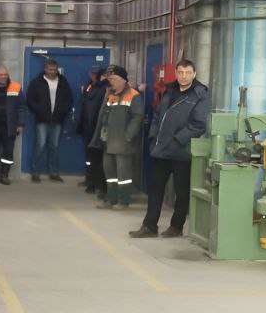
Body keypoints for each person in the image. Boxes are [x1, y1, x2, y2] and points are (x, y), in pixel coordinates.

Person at [133, 59, 209, 238]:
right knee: (155, 189)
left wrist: (177, 139)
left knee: (181, 192)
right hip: (162, 150)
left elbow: (199, 124)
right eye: (180, 72)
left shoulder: (200, 94)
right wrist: (153, 136)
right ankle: (149, 226)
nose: (184, 76)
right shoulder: (169, 90)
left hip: (182, 151)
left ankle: (176, 226)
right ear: (175, 73)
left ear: (194, 74)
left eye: (188, 73)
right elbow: (157, 115)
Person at [91, 65, 144, 209]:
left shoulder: (133, 95)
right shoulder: (112, 94)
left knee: (123, 174)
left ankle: (123, 201)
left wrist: (128, 136)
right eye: (110, 79)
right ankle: (111, 199)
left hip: (123, 142)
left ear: (123, 80)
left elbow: (137, 117)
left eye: (114, 79)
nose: (111, 82)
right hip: (108, 141)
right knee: (110, 173)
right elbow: (105, 114)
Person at [25, 59, 73, 183]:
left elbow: (69, 100)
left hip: (57, 120)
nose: (52, 72)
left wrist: (62, 112)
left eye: (54, 70)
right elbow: (30, 100)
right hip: (42, 119)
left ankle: (54, 173)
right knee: (40, 145)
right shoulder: (36, 82)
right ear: (45, 69)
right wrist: (39, 111)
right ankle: (35, 173)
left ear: (57, 70)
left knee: (54, 146)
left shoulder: (63, 82)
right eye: (50, 69)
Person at [78, 64, 109, 197]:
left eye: (96, 73)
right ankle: (91, 182)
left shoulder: (104, 89)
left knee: (99, 158)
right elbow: (86, 106)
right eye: (92, 73)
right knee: (91, 158)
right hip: (89, 127)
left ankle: (97, 185)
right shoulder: (90, 86)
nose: (93, 75)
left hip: (97, 127)